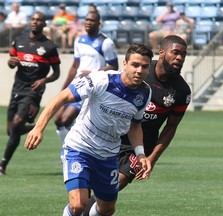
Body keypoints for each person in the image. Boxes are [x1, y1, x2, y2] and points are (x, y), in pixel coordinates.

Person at [24, 43, 154, 216]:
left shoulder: (145, 93)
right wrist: (38, 128)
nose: (139, 70)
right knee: (78, 204)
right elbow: (61, 97)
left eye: (144, 67)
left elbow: (135, 125)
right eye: (135, 65)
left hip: (108, 156)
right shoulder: (102, 80)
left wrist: (141, 154)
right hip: (80, 148)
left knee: (107, 209)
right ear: (125, 64)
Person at [83, 35, 191, 216]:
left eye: (183, 54)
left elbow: (171, 127)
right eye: (175, 53)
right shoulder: (141, 71)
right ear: (162, 52)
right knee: (84, 190)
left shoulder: (181, 90)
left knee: (113, 188)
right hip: (111, 135)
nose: (180, 58)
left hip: (139, 147)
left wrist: (152, 158)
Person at [0, 11, 61, 176]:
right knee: (11, 130)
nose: (35, 22)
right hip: (17, 88)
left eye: (39, 20)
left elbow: (56, 73)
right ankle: (36, 126)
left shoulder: (49, 47)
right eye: (33, 19)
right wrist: (10, 62)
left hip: (33, 91)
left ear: (44, 24)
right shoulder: (19, 41)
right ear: (30, 22)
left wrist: (44, 81)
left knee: (17, 123)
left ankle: (2, 165)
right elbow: (12, 61)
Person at [54, 11, 119, 145]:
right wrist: (64, 88)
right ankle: (66, 150)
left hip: (89, 87)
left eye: (92, 20)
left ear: (99, 23)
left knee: (66, 119)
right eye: (87, 20)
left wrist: (93, 72)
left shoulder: (105, 42)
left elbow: (114, 66)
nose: (89, 23)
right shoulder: (79, 40)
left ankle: (72, 150)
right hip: (75, 85)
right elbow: (74, 66)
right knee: (57, 120)